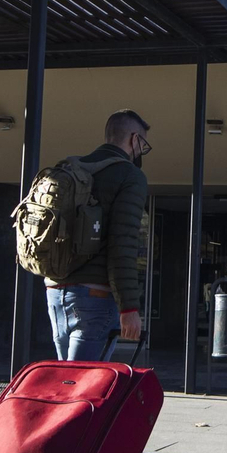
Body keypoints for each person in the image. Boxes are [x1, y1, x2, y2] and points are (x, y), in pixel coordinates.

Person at [45, 110, 151, 361]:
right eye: (143, 144)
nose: (141, 151)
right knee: (83, 385)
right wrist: (129, 307)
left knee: (67, 380)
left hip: (55, 291)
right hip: (95, 297)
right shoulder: (130, 176)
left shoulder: (71, 167)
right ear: (134, 139)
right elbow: (123, 244)